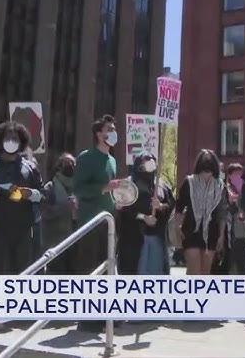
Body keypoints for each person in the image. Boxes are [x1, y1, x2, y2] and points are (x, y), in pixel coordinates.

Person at [73, 114, 120, 333]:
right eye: (109, 128)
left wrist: (117, 199)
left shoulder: (112, 160)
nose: (112, 132)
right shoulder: (86, 157)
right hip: (90, 222)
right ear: (99, 133)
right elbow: (79, 190)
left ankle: (105, 315)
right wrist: (103, 188)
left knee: (107, 269)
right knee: (90, 269)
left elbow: (110, 191)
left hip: (108, 224)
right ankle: (87, 319)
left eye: (114, 128)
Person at [0, 121, 44, 275]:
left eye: (15, 139)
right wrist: (3, 188)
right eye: (7, 138)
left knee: (23, 273)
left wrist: (31, 194)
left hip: (23, 231)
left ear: (22, 142)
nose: (11, 142)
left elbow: (43, 195)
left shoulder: (30, 167)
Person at [174, 149, 228, 275]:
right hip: (191, 230)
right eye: (204, 159)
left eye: (209, 159)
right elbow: (179, 207)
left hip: (212, 232)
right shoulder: (190, 182)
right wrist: (177, 228)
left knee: (205, 272)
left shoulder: (220, 186)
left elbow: (222, 213)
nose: (207, 162)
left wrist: (221, 235)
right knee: (194, 271)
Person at [131, 153, 175, 275]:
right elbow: (126, 210)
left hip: (157, 236)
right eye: (146, 160)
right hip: (136, 237)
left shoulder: (161, 185)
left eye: (151, 160)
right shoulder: (130, 184)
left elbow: (171, 203)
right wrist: (143, 217)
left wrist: (161, 207)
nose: (149, 162)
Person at [40, 153, 78, 274]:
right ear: (59, 167)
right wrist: (66, 207)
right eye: (66, 163)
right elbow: (45, 212)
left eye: (73, 163)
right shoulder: (50, 187)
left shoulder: (79, 187)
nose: (70, 166)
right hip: (55, 242)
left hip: (75, 241)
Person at [226, 163, 245, 275]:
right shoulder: (226, 190)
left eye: (240, 175)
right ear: (229, 176)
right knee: (234, 263)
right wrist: (231, 203)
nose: (238, 178)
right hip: (233, 232)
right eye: (235, 175)